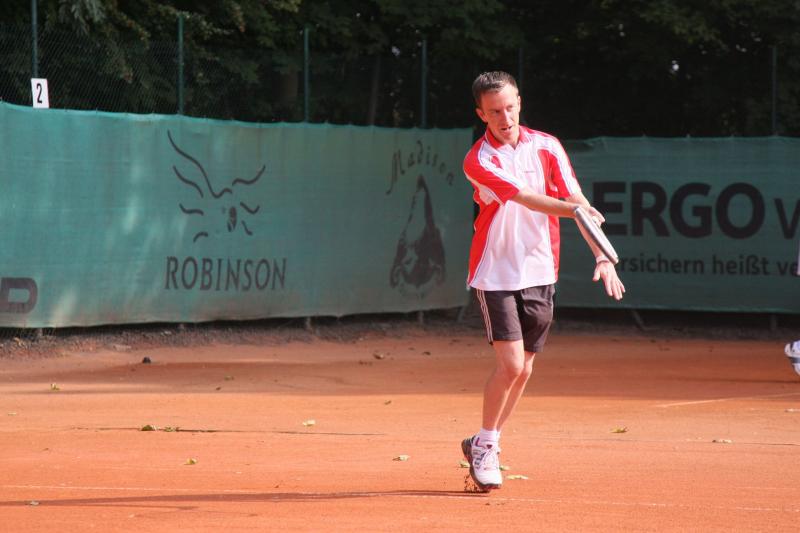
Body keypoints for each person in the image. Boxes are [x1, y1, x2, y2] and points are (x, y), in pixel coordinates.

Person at [460, 71, 625, 491]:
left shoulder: (548, 146)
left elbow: (575, 198)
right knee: (512, 365)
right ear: (481, 114)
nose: (505, 117)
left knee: (525, 370)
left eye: (510, 107)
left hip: (540, 270)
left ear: (520, 103)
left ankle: (483, 441)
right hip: (496, 272)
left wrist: (602, 254)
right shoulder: (479, 160)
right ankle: (487, 445)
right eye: (495, 111)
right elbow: (529, 199)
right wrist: (575, 212)